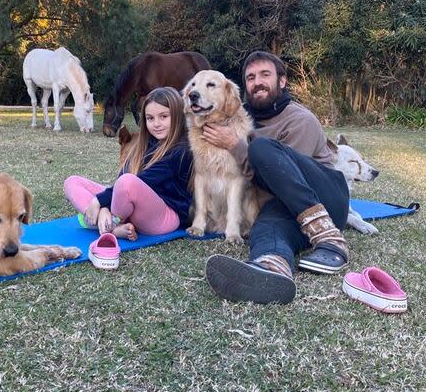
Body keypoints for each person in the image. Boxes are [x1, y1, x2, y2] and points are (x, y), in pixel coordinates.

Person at [202, 51, 350, 305]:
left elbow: (284, 184)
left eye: (265, 75)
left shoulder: (300, 120)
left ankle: (330, 238)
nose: (257, 82)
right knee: (267, 227)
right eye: (250, 77)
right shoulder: (241, 120)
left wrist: (235, 145)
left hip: (326, 199)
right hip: (284, 210)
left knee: (262, 148)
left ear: (282, 81)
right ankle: (272, 268)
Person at [64, 86, 193, 241]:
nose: (156, 123)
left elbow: (139, 182)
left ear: (178, 116)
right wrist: (103, 206)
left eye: (164, 116)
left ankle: (107, 222)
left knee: (127, 183)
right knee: (72, 182)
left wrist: (98, 201)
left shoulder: (182, 150)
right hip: (132, 206)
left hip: (165, 215)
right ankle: (111, 224)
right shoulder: (147, 143)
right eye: (150, 118)